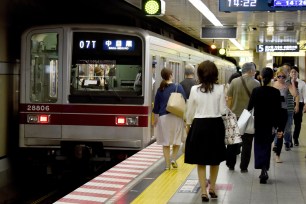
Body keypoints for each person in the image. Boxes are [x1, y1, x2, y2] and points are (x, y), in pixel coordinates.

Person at [185, 60, 227, 202]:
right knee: (215, 160)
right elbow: (222, 110)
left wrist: (188, 126)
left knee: (201, 161)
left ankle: (204, 192)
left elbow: (189, 111)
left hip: (199, 125)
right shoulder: (221, 88)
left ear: (200, 74)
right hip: (215, 125)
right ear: (215, 73)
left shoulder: (194, 90)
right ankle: (213, 189)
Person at [247, 67, 283, 184]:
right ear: (272, 77)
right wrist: (279, 127)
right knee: (267, 146)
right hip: (271, 124)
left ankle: (262, 168)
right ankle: (264, 169)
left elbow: (249, 108)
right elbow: (279, 111)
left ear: (261, 77)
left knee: (258, 145)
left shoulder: (256, 91)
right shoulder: (276, 92)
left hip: (258, 123)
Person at [226, 62, 260, 172]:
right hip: (248, 116)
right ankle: (244, 167)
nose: (254, 73)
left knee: (232, 141)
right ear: (250, 71)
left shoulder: (234, 82)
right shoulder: (256, 83)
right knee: (247, 143)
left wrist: (229, 112)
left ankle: (231, 164)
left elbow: (229, 99)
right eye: (254, 71)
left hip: (234, 115)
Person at [152, 68, 187, 170]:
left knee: (165, 142)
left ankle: (167, 164)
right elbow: (184, 100)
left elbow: (156, 107)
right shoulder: (178, 86)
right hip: (177, 117)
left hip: (164, 118)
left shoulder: (160, 89)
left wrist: (155, 119)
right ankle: (173, 159)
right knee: (177, 141)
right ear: (171, 75)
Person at [272, 67, 298, 162]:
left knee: (280, 133)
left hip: (283, 112)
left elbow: (295, 94)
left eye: (283, 76)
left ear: (286, 76)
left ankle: (277, 155)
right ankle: (272, 147)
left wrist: (293, 82)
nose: (281, 78)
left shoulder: (288, 85)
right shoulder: (272, 84)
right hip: (273, 112)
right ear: (276, 76)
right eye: (279, 76)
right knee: (272, 132)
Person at [291, 66, 306, 146]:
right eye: (292, 72)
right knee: (289, 122)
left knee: (298, 123)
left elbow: (305, 95)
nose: (293, 73)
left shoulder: (302, 83)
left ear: (298, 73)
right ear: (290, 73)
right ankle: (288, 139)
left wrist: (305, 104)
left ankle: (295, 138)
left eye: (295, 72)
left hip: (299, 104)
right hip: (290, 103)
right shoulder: (287, 82)